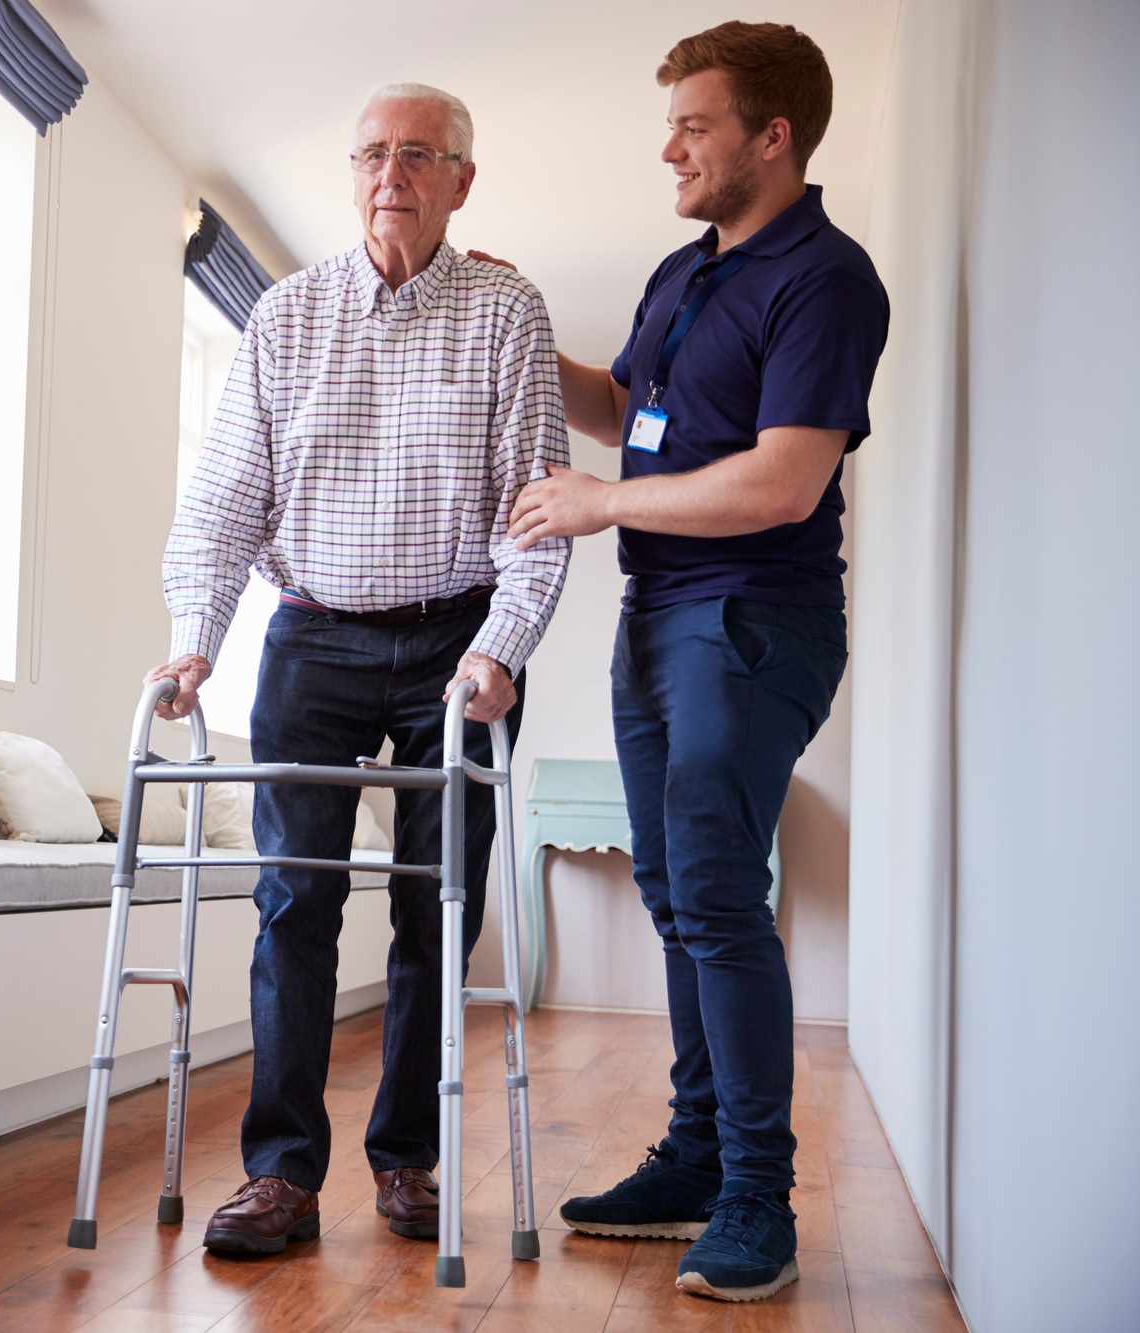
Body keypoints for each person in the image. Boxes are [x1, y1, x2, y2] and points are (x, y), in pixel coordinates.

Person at [497, 21, 890, 1303]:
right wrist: (521, 327)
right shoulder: (682, 270)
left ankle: (755, 1200)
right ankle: (694, 1155)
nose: (668, 149)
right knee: (675, 894)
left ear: (771, 137)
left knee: (716, 894)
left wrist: (601, 503)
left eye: (693, 127)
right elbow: (628, 407)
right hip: (656, 617)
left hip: (753, 620)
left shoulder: (824, 279)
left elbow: (783, 482)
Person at [153, 82, 570, 1258]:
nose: (391, 174)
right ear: (352, 175)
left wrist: (500, 649)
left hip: (455, 641)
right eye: (372, 155)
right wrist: (194, 636)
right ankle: (280, 1174)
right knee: (293, 901)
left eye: (419, 155)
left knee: (436, 907)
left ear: (460, 181)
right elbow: (226, 497)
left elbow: (534, 511)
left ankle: (407, 1161)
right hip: (311, 635)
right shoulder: (285, 314)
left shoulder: (505, 310)